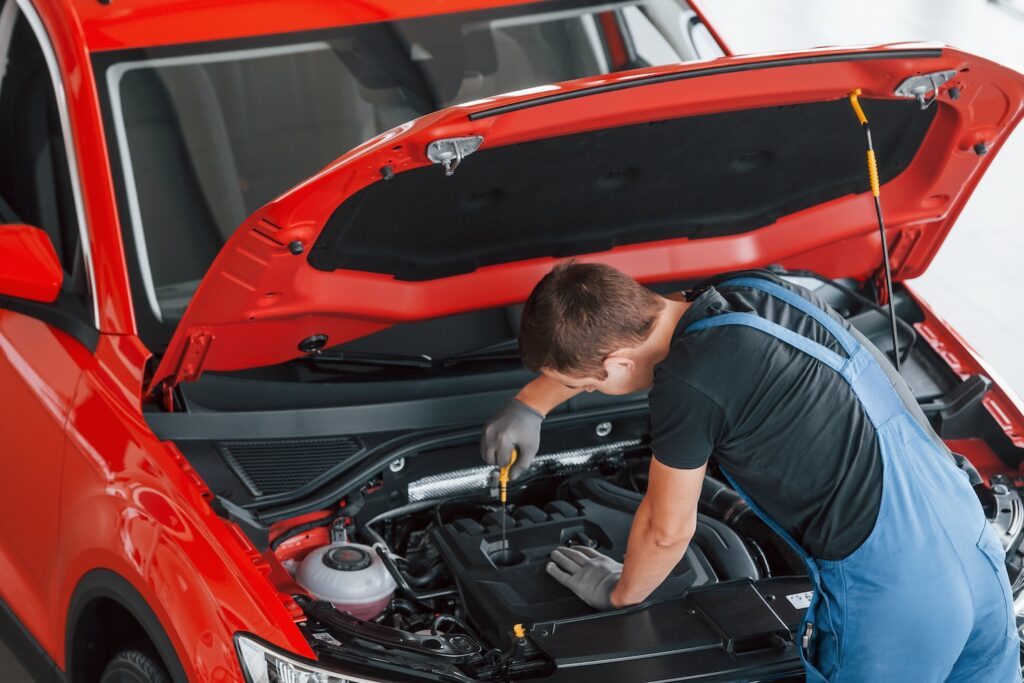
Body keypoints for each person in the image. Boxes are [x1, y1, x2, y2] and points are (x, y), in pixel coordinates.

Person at [480, 262, 1020, 682]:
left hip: (898, 594)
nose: (593, 391)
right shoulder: (748, 289)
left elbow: (667, 532)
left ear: (618, 362)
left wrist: (618, 591)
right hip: (972, 541)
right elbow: (608, 343)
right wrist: (532, 402)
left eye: (591, 385)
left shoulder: (687, 383)